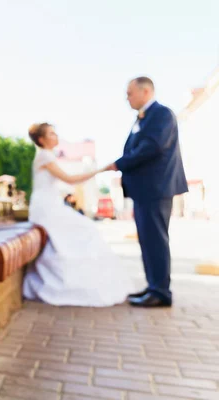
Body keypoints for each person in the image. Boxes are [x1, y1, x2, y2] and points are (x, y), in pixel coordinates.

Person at [23, 123, 134, 307]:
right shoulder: (43, 155)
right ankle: (67, 284)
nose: (56, 136)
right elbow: (70, 179)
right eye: (51, 133)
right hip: (46, 208)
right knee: (84, 229)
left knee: (77, 233)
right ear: (41, 140)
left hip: (51, 205)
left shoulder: (47, 156)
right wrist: (101, 170)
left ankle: (70, 281)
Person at [103, 77, 187, 307]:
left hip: (156, 188)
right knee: (147, 241)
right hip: (144, 190)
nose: (127, 98)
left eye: (130, 93)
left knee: (155, 240)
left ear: (146, 91)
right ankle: (153, 286)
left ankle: (161, 292)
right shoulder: (143, 117)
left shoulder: (162, 114)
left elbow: (152, 146)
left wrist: (120, 163)